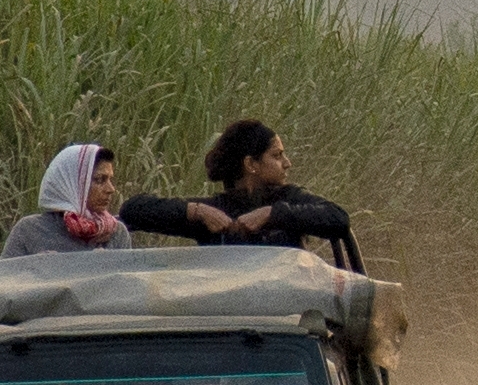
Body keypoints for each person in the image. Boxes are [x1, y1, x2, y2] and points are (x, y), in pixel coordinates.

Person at [124, 116, 365, 273]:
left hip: (290, 321)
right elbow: (132, 210)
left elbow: (339, 219)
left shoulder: (289, 199)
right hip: (229, 323)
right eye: (277, 155)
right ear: (251, 164)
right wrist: (195, 211)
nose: (287, 163)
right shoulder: (213, 212)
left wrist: (272, 214)